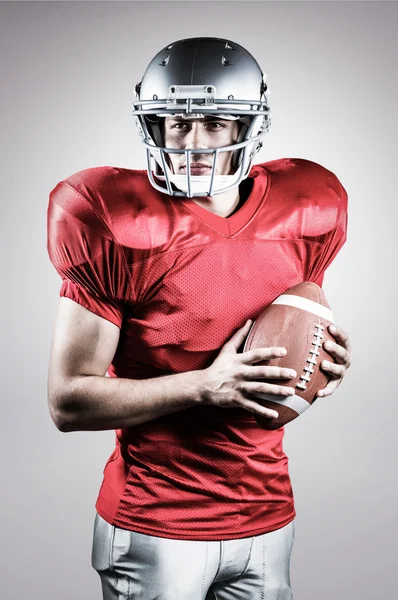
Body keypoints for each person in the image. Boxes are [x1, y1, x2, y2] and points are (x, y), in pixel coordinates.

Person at [47, 37, 351, 600]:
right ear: (151, 124)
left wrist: (321, 362)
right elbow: (67, 401)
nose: (193, 143)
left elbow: (284, 330)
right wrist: (204, 386)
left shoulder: (308, 208)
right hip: (158, 522)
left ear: (249, 125)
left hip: (268, 513)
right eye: (175, 123)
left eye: (215, 122)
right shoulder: (111, 218)